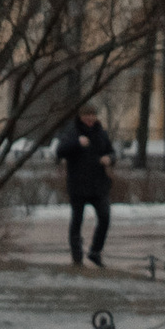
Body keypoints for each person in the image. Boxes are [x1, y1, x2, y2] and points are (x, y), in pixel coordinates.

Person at [55, 101, 114, 267]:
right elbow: (60, 151)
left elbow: (111, 151)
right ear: (81, 117)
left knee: (105, 217)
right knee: (77, 220)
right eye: (87, 115)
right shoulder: (72, 132)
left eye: (93, 115)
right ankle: (77, 256)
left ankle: (95, 251)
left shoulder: (101, 133)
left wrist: (110, 158)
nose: (90, 119)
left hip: (98, 184)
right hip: (78, 184)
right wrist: (76, 143)